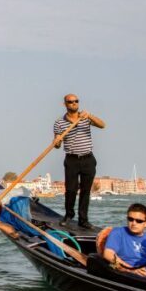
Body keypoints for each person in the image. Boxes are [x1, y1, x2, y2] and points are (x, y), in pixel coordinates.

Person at [53, 94, 106, 228]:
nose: (74, 103)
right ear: (65, 104)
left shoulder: (85, 118)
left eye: (76, 101)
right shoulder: (59, 123)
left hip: (88, 159)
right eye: (70, 101)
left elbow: (102, 125)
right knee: (70, 190)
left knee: (85, 191)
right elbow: (57, 145)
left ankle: (83, 219)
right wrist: (57, 142)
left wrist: (90, 116)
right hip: (71, 160)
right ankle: (69, 215)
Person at [103, 203, 146, 278]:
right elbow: (108, 254)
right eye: (130, 219)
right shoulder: (118, 233)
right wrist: (130, 269)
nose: (134, 223)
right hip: (129, 274)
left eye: (139, 221)